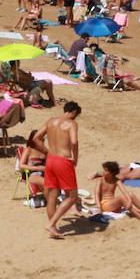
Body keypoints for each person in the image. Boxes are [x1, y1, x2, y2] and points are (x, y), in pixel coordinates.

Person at [31, 101, 81, 239]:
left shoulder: (51, 121)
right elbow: (74, 142)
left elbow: (36, 138)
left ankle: (53, 229)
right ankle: (52, 224)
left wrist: (47, 151)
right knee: (72, 196)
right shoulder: (71, 123)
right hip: (63, 161)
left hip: (51, 159)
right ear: (74, 112)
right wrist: (75, 157)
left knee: (52, 195)